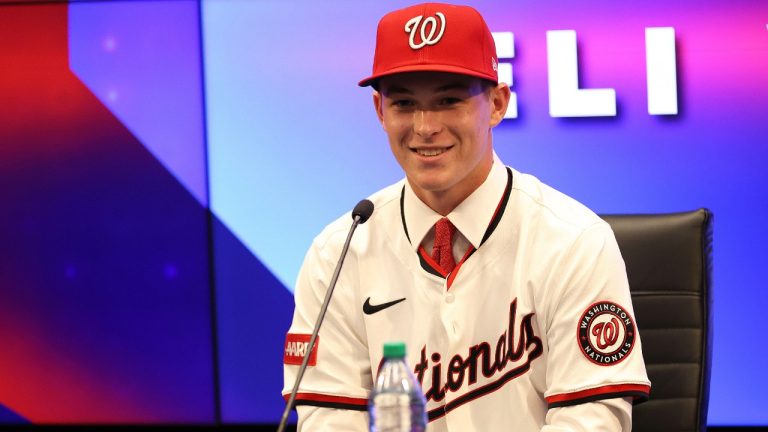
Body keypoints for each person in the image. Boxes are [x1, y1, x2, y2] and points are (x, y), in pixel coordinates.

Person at [283, 3, 650, 431]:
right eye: (404, 103)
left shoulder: (573, 240)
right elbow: (330, 419)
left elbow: (592, 419)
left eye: (448, 100)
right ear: (380, 111)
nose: (424, 126)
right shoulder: (339, 252)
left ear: (497, 103)